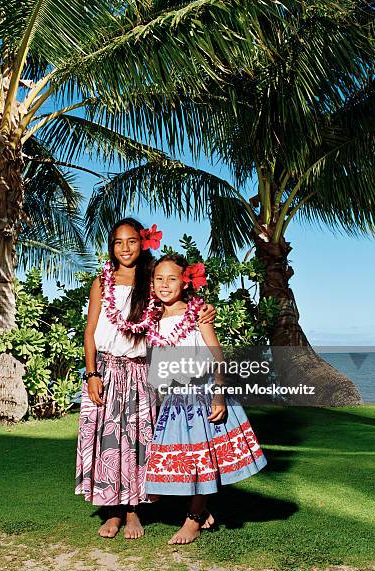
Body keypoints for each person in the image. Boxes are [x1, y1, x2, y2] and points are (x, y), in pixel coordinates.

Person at [75, 219, 215, 540]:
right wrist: (92, 372)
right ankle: (113, 512)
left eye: (132, 241)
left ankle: (134, 511)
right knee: (108, 442)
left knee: (140, 442)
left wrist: (206, 309)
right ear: (111, 246)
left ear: (143, 243)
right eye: (118, 242)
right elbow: (91, 331)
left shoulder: (151, 281)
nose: (125, 248)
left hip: (141, 371)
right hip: (106, 371)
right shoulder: (103, 281)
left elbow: (179, 292)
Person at [144, 254, 267, 545]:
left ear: (184, 282)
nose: (164, 284)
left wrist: (219, 394)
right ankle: (202, 509)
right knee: (180, 462)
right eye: (159, 278)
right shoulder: (151, 317)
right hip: (174, 399)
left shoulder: (197, 314)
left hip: (202, 393)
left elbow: (218, 357)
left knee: (202, 461)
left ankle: (194, 519)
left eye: (172, 278)